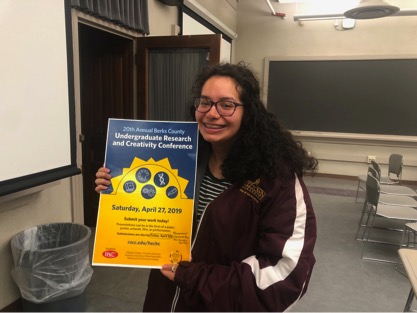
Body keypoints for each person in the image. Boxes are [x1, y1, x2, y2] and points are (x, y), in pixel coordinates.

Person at [95, 62, 318, 312]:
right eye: (204, 102)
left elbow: (286, 277)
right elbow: (155, 215)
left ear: (249, 112)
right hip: (164, 299)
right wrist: (117, 189)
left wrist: (194, 277)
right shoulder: (180, 160)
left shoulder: (277, 179)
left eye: (226, 104)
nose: (211, 113)